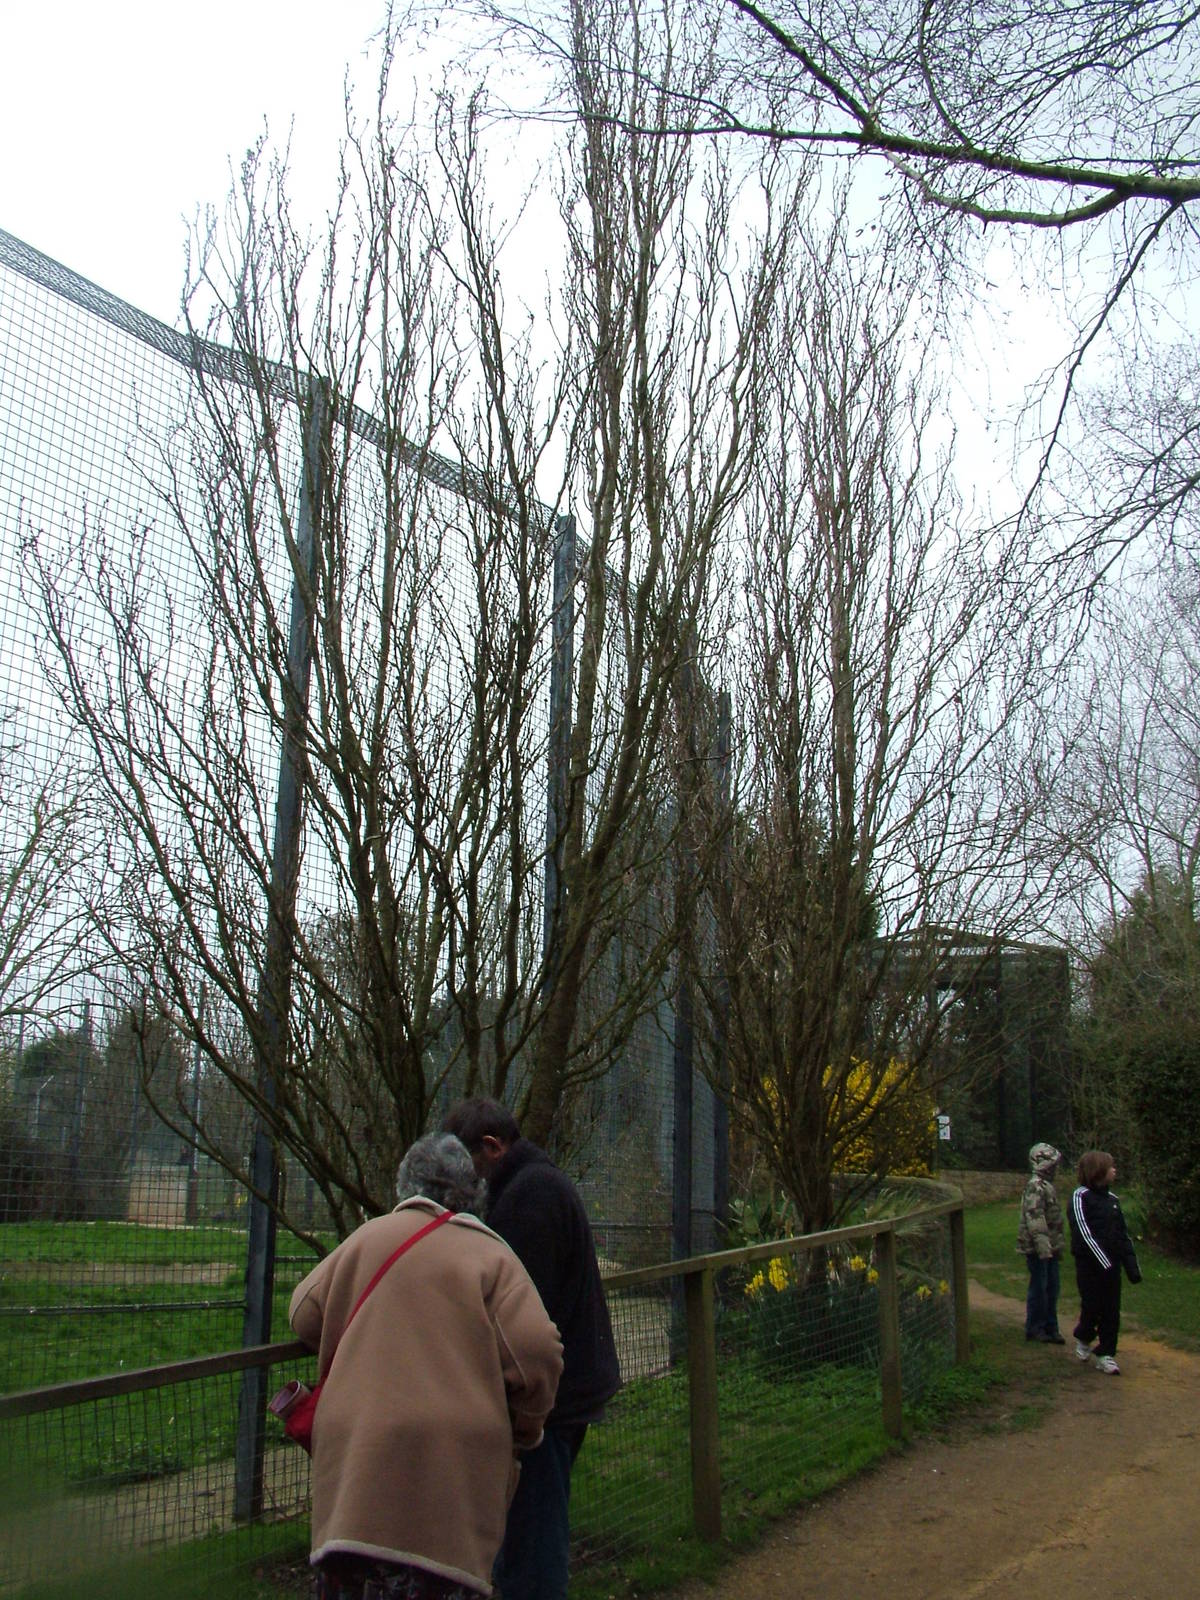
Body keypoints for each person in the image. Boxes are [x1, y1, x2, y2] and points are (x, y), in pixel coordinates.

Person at [288, 1133, 563, 1600]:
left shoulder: (366, 1238)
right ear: (471, 1190)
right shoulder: (490, 1255)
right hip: (449, 1492)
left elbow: (302, 1314)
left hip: (355, 1484)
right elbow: (538, 1352)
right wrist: (526, 1429)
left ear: (404, 1185)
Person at [441, 1098, 621, 1600]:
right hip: (565, 1388)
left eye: (468, 1164)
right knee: (523, 1534)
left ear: (492, 1148)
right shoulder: (538, 1183)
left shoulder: (529, 1196)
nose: (464, 1179)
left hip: (549, 1401)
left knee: (532, 1545)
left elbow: (519, 1311)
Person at [1068, 1148, 1142, 1375]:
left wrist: (1130, 1266)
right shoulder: (1080, 1196)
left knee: (1112, 1310)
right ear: (1098, 1170)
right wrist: (1104, 1261)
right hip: (1090, 1267)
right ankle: (1084, 1336)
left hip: (1113, 1268)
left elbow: (1122, 1235)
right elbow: (1083, 1233)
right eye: (1111, 1167)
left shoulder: (1113, 1200)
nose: (1115, 1170)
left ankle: (1106, 1353)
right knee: (1092, 1305)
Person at [1017, 1141, 1066, 1343]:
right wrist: (1042, 1246)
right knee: (1040, 1287)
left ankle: (1050, 1326)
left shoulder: (1047, 1186)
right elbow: (1034, 1217)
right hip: (1039, 1249)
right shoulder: (1035, 1186)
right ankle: (1035, 1327)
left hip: (1050, 1247)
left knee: (1052, 1287)